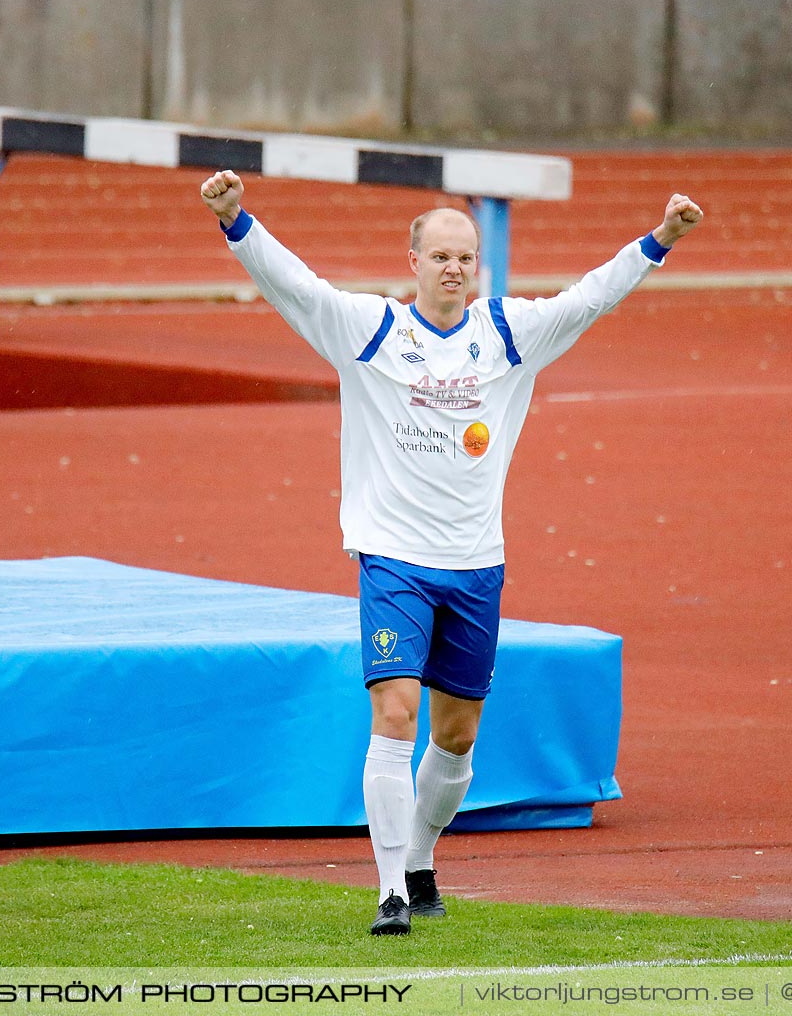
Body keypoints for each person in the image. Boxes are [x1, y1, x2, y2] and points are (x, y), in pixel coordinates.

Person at [200, 168, 702, 934]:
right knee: (394, 714)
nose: (453, 268)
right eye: (439, 255)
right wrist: (237, 220)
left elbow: (590, 297)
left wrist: (659, 240)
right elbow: (295, 287)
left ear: (479, 266)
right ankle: (389, 892)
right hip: (393, 559)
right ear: (413, 262)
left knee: (457, 734)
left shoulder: (508, 335)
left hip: (474, 564)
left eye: (465, 257)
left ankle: (423, 857)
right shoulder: (370, 331)